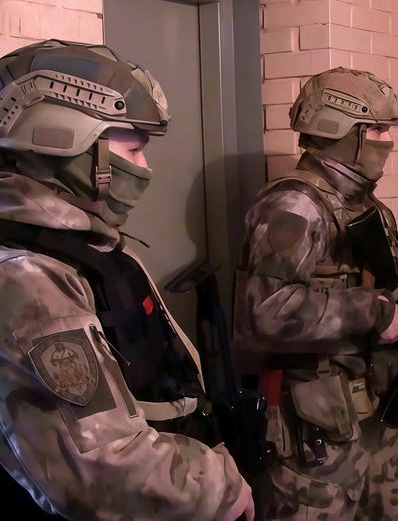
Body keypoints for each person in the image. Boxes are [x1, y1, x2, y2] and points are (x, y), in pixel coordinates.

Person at [0, 40, 253, 520]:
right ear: (65, 142)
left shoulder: (90, 246)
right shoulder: (28, 277)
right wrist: (219, 487)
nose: (144, 168)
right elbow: (101, 468)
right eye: (133, 149)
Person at [233, 67, 398, 520]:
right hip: (315, 443)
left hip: (377, 423)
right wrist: (372, 311)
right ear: (340, 131)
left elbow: (397, 307)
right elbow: (264, 314)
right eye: (377, 129)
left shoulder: (370, 209)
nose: (387, 141)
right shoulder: (293, 206)